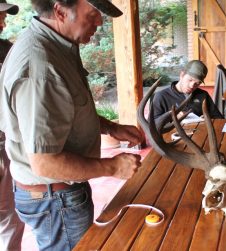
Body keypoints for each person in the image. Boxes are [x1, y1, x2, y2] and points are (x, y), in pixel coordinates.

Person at [0, 0, 143, 250]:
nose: (99, 22)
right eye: (93, 14)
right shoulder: (40, 67)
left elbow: (63, 112)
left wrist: (110, 127)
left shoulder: (57, 45)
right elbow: (45, 162)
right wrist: (112, 167)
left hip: (58, 193)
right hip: (54, 199)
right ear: (60, 11)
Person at [0, 1, 25, 251]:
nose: (3, 22)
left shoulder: (8, 51)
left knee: (8, 216)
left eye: (3, 16)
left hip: (3, 144)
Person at [152, 60, 223, 127]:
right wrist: (172, 117)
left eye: (197, 83)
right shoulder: (161, 96)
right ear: (182, 75)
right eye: (190, 80)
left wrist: (208, 118)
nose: (192, 85)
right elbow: (153, 124)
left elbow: (219, 118)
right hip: (172, 137)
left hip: (199, 135)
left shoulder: (203, 95)